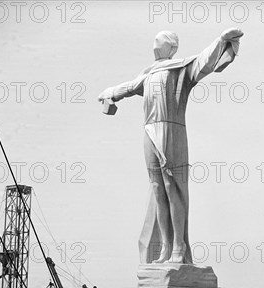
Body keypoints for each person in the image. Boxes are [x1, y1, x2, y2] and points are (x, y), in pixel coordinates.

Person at [98, 28, 243, 264]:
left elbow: (204, 60)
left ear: (172, 47)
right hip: (149, 130)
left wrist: (222, 40)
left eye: (161, 41)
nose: (155, 44)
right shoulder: (148, 74)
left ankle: (178, 247)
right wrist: (109, 92)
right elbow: (129, 87)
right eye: (154, 40)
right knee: (157, 189)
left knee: (172, 186)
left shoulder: (180, 68)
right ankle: (165, 247)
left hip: (171, 130)